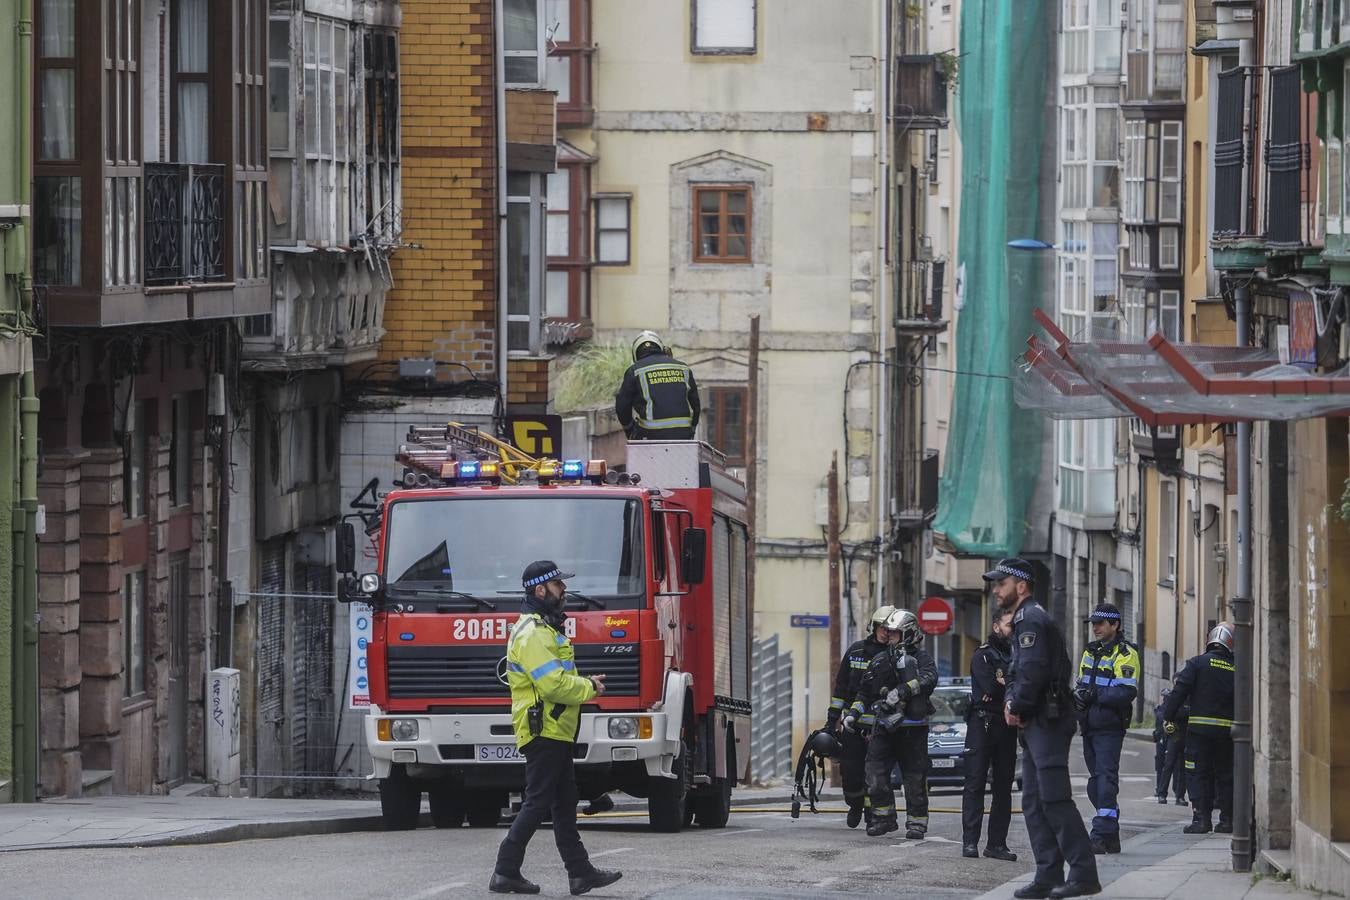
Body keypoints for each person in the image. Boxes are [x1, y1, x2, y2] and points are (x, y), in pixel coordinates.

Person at [490, 561, 622, 896]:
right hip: (543, 728)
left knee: (564, 803)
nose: (564, 590)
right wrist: (589, 687)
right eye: (558, 585)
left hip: (554, 728)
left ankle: (580, 874)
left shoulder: (545, 629)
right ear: (540, 590)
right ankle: (505, 870)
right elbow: (552, 685)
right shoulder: (533, 633)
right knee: (538, 802)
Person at [988, 557, 1100, 900]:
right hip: (1035, 719)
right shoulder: (1024, 621)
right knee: (1035, 802)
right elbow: (1014, 671)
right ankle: (1047, 874)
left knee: (1055, 799)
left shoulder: (1032, 619)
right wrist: (1012, 703)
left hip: (1048, 720)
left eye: (1001, 583)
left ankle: (1083, 874)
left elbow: (1034, 672)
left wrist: (1017, 705)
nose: (995, 590)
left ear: (1021, 586)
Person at [853, 608, 938, 839]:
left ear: (907, 634)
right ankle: (884, 819)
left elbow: (930, 679)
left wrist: (903, 690)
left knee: (914, 777)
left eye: (894, 633)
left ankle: (917, 823)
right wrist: (852, 713)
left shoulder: (922, 659)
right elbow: (864, 692)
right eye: (889, 633)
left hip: (913, 728)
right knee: (874, 773)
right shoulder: (880, 660)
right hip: (885, 727)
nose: (889, 637)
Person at [1073, 602, 1141, 855]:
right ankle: (1111, 835)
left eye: (1100, 623)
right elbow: (1080, 685)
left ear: (1115, 625)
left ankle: (1100, 833)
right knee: (1096, 783)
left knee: (1105, 780)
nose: (1095, 628)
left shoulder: (1125, 653)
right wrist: (1077, 701)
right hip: (1089, 725)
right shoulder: (1090, 652)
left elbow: (1126, 692)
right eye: (1093, 624)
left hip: (1110, 726)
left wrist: (1093, 695)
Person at [1162, 622, 1236, 835]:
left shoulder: (1197, 663)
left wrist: (1169, 716)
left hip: (1199, 732)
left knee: (1196, 773)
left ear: (1210, 640)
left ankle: (1201, 820)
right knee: (1225, 775)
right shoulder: (1236, 667)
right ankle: (1227, 820)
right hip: (1227, 733)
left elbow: (1179, 692)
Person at [826, 604, 895, 828]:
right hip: (853, 727)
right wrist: (831, 721)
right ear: (873, 627)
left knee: (874, 774)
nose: (885, 632)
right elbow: (841, 688)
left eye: (890, 628)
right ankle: (855, 804)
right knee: (851, 772)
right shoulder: (856, 652)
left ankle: (869, 812)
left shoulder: (895, 656)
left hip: (882, 729)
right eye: (882, 627)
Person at [961, 608, 1019, 862]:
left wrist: (1006, 686)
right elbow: (989, 686)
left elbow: (1020, 685)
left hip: (1007, 726)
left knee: (1003, 788)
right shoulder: (983, 655)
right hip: (982, 725)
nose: (1013, 630)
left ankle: (997, 844)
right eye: (1009, 625)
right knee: (974, 784)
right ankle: (970, 842)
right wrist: (1005, 686)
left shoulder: (1017, 655)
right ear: (997, 627)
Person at [614, 330, 701, 440]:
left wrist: (629, 430)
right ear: (660, 347)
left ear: (636, 353)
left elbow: (622, 406)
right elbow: (695, 405)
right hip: (683, 434)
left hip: (650, 436)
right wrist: (691, 430)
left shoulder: (635, 371)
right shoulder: (683, 368)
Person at [1152, 689, 1187, 805]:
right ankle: (1162, 793)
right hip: (1175, 735)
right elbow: (1167, 716)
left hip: (1186, 734)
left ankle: (1180, 796)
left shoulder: (1190, 696)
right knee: (1168, 764)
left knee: (1182, 767)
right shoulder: (1173, 697)